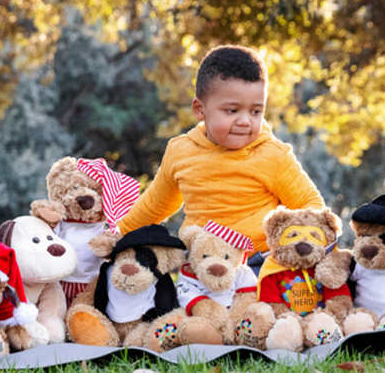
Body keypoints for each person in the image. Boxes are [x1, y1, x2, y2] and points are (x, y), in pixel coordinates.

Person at [118, 45, 326, 274]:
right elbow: (154, 205)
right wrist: (117, 234)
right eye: (232, 111)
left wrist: (294, 245)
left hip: (259, 263)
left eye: (256, 111)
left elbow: (311, 205)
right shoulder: (180, 151)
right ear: (200, 109)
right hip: (201, 264)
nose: (246, 121)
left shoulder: (273, 154)